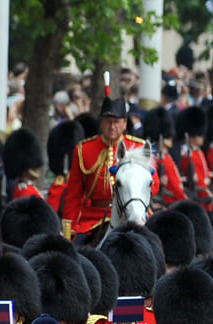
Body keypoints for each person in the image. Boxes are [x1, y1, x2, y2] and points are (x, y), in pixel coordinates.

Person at [57, 93, 148, 242]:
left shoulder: (138, 147)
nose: (112, 126)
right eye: (108, 121)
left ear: (125, 123)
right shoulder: (84, 150)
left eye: (116, 121)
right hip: (95, 218)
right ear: (101, 123)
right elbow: (74, 195)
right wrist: (70, 229)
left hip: (132, 215)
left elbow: (153, 184)